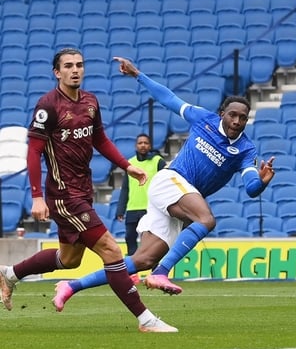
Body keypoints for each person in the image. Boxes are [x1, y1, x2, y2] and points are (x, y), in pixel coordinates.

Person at [51, 56, 276, 311]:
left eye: (243, 118)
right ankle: (162, 272)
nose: (237, 121)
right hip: (171, 180)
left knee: (142, 260)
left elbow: (251, 188)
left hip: (181, 198)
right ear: (222, 114)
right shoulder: (204, 119)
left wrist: (262, 181)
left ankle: (71, 286)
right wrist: (138, 75)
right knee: (206, 220)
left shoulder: (246, 149)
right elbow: (169, 98)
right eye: (232, 115)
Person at [0, 47, 177, 333]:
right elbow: (34, 152)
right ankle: (146, 319)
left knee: (69, 259)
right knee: (111, 250)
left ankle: (10, 274)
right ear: (57, 72)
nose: (75, 70)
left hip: (83, 190)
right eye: (68, 66)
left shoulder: (90, 101)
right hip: (63, 194)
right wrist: (36, 196)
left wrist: (126, 166)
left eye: (79, 65)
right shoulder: (48, 106)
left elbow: (100, 139)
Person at [116, 133, 166, 255]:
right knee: (129, 238)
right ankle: (133, 265)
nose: (143, 145)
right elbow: (125, 188)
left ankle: (152, 265)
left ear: (150, 146)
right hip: (132, 208)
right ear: (136, 146)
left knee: (149, 241)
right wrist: (120, 210)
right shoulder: (130, 164)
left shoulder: (158, 161)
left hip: (150, 209)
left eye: (146, 143)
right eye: (140, 143)